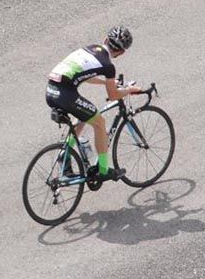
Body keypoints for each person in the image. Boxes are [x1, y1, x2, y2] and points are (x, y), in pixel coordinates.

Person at [45, 26, 143, 181]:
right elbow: (113, 95)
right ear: (122, 52)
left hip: (51, 91)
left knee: (85, 114)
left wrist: (106, 83)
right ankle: (103, 170)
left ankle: (65, 155)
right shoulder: (108, 66)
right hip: (65, 94)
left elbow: (86, 75)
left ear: (105, 40)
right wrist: (130, 90)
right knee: (99, 122)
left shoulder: (90, 49)